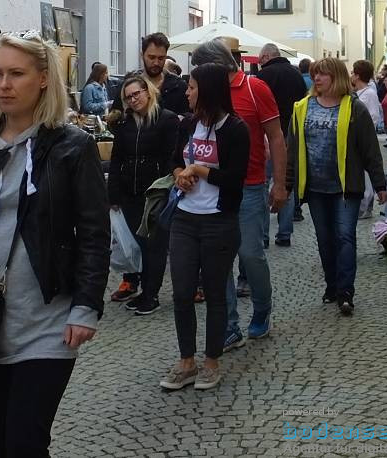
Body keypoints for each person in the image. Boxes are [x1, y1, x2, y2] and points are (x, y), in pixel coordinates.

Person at [0, 33, 110, 457]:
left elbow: (93, 233)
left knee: (25, 443)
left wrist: (86, 306)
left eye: (16, 74)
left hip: (46, 320)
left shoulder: (72, 146)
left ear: (44, 79)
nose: (3, 84)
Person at [190, 39, 284, 350]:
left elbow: (276, 137)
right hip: (212, 188)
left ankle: (262, 309)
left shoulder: (255, 89)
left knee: (250, 254)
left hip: (250, 185)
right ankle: (228, 324)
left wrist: (280, 183)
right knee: (219, 262)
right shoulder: (204, 92)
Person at [160, 63, 249, 391]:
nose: (187, 92)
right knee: (182, 292)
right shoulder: (188, 124)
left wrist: (198, 169)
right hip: (184, 218)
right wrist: (179, 174)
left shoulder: (235, 129)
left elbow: (235, 179)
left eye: (193, 87)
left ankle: (211, 361)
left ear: (208, 91)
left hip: (218, 221)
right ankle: (186, 362)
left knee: (215, 294)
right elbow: (173, 160)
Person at [286, 58, 386, 316]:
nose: (317, 79)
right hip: (316, 188)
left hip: (345, 187)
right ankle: (332, 285)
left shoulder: (354, 108)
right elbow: (292, 150)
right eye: (315, 74)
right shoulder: (301, 108)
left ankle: (345, 292)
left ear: (337, 77)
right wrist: (287, 184)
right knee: (324, 239)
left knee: (344, 237)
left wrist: (379, 184)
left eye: (322, 74)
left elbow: (370, 149)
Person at [107, 74, 180, 315]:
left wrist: (169, 187)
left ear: (148, 92)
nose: (133, 99)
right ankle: (144, 291)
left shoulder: (166, 120)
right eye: (128, 97)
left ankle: (151, 295)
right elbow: (116, 159)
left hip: (155, 193)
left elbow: (173, 157)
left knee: (155, 245)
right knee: (141, 244)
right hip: (129, 193)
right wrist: (113, 193)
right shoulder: (125, 125)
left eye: (137, 93)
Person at [255, 43, 309, 244]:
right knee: (286, 182)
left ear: (267, 56)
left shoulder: (263, 77)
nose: (260, 64)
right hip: (292, 135)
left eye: (261, 60)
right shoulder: (296, 75)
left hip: (268, 136)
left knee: (263, 182)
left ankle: (263, 235)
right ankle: (285, 233)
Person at [111, 33, 189, 117]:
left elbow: (189, 118)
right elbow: (115, 118)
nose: (156, 63)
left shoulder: (178, 86)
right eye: (151, 57)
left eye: (161, 58)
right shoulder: (127, 85)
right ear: (142, 55)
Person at [350, 60, 385, 220]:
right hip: (357, 138)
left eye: (353, 72)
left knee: (366, 173)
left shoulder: (369, 93)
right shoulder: (359, 92)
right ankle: (363, 204)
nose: (351, 75)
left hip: (364, 137)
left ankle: (366, 206)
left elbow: (373, 116)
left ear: (357, 75)